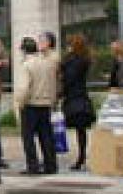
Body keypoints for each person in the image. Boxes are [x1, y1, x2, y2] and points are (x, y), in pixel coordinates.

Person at [14, 34, 60, 175]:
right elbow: (54, 84)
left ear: (24, 51)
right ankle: (50, 165)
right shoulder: (47, 64)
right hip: (46, 103)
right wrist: (52, 100)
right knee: (46, 135)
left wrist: (20, 103)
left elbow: (24, 88)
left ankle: (32, 165)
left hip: (31, 104)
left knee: (28, 137)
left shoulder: (27, 65)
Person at [59, 34, 96, 171]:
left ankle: (81, 157)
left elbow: (69, 77)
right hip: (80, 96)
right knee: (81, 130)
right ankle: (81, 156)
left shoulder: (76, 61)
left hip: (75, 97)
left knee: (80, 129)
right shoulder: (83, 59)